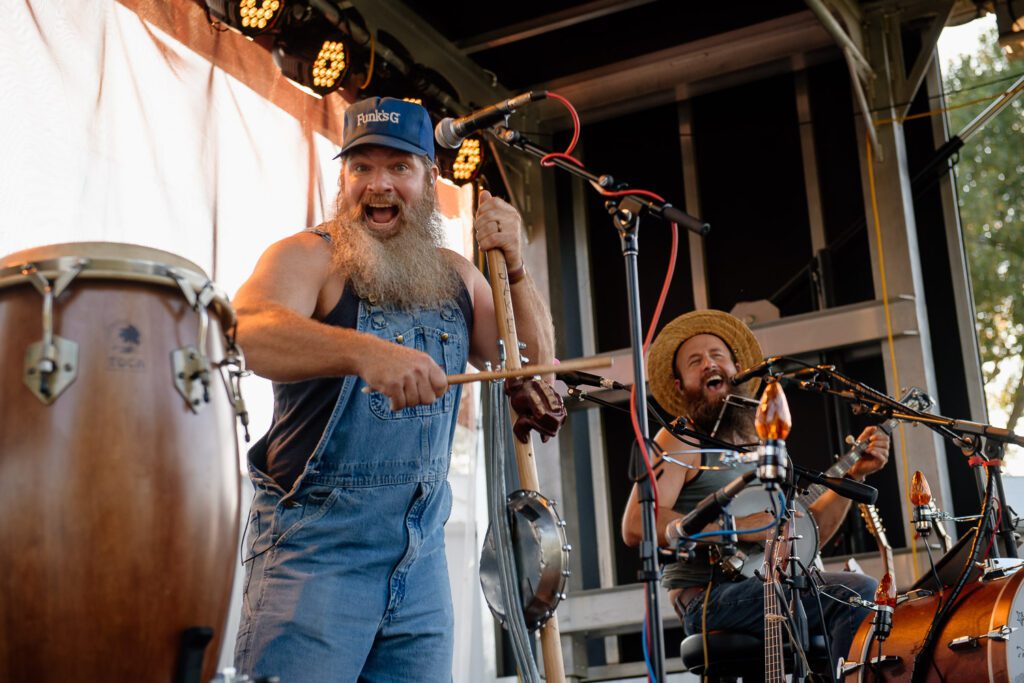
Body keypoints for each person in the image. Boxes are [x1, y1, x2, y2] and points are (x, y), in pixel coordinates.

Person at [231, 96, 563, 682]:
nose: (378, 185)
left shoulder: (458, 275)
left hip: (422, 566)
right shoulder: (311, 256)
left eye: (399, 168)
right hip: (315, 557)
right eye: (362, 167)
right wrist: (365, 352)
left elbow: (533, 367)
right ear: (344, 177)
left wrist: (514, 263)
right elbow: (247, 332)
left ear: (431, 179)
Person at [621, 310, 890, 668]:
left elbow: (803, 537)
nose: (708, 364)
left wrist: (853, 477)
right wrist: (735, 528)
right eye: (695, 361)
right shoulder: (677, 439)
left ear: (737, 370)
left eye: (718, 356)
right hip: (710, 597)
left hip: (771, 585)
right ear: (678, 385)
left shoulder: (763, 444)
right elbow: (637, 524)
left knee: (856, 598)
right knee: (854, 594)